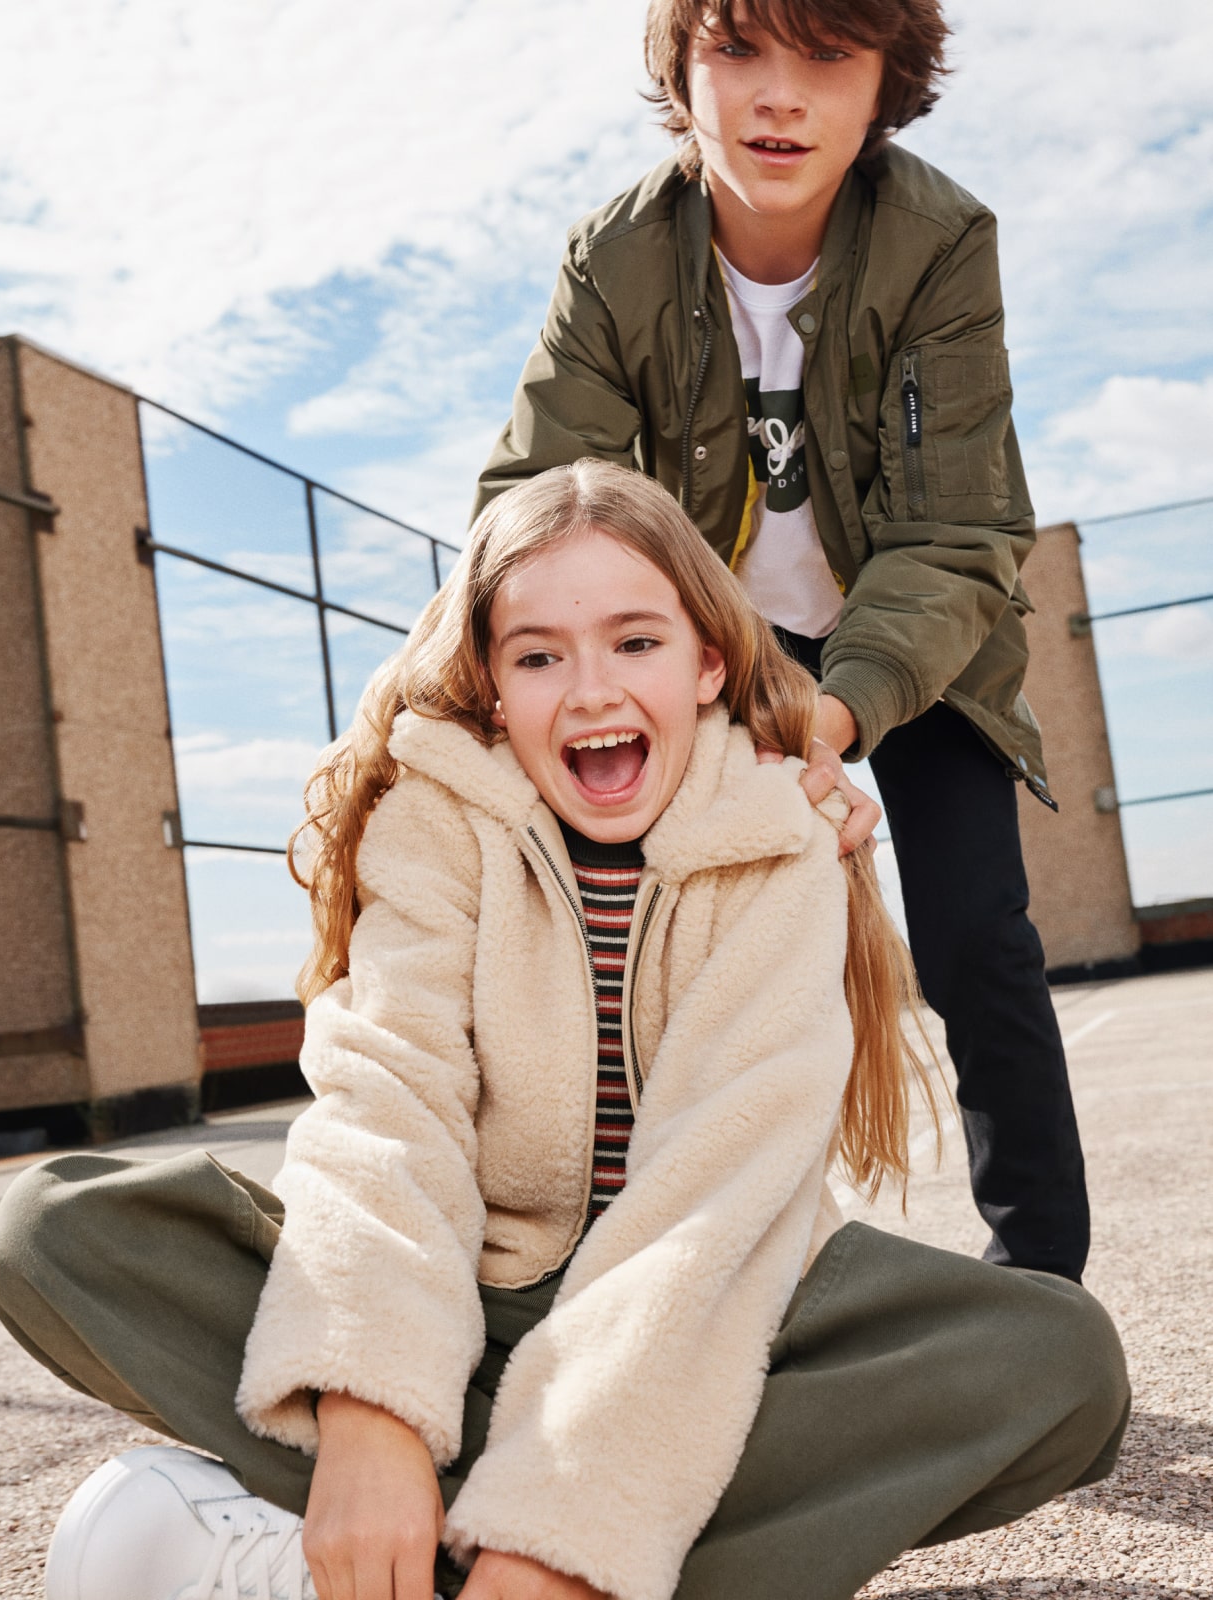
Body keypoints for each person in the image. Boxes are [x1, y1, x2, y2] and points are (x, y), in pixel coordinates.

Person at [0, 463, 1127, 1600]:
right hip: (461, 1297)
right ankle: (515, 1534)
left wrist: (564, 1522)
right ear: (491, 689)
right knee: (57, 1229)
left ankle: (413, 1560)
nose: (590, 691)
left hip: (709, 1311)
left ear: (707, 663)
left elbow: (709, 1207)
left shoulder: (782, 839)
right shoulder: (433, 820)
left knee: (1057, 1359)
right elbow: (389, 1110)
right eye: (538, 657)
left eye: (636, 642)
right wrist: (371, 1409)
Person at [474, 0, 1090, 1282]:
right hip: (716, 648)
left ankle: (1039, 1282)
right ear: (679, 66)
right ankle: (671, 1268)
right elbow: (536, 502)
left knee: (976, 937)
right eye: (738, 48)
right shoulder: (616, 258)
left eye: (826, 56)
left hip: (919, 635)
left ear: (885, 82)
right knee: (665, 940)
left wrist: (839, 706)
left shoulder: (939, 241)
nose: (778, 96)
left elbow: (958, 529)